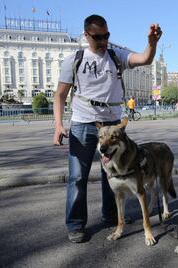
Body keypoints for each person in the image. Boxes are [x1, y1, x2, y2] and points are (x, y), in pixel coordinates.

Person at [53, 14, 162, 243]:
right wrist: (58, 125)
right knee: (77, 177)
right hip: (83, 123)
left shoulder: (115, 56)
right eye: (98, 37)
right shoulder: (75, 59)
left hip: (113, 126)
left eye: (106, 35)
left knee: (112, 174)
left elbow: (144, 59)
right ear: (86, 35)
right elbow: (60, 95)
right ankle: (75, 224)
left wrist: (152, 44)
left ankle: (111, 216)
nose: (103, 41)